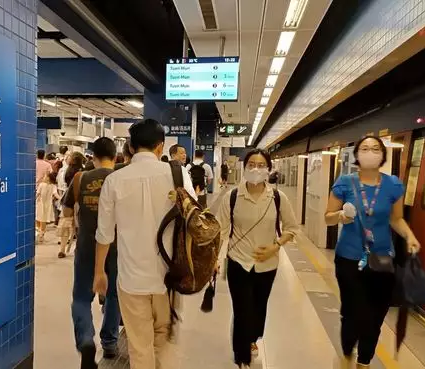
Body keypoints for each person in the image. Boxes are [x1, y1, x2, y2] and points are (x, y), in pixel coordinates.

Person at [93, 119, 196, 369]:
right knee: (164, 340)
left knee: (139, 346)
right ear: (160, 146)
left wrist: (99, 272)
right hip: (169, 276)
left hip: (131, 279)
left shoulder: (114, 181)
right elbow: (193, 220)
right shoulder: (178, 173)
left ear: (129, 147)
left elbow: (104, 234)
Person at [324, 136, 421, 369]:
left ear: (382, 155)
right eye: (365, 148)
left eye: (375, 149)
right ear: (357, 154)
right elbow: (328, 217)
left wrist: (410, 236)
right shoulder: (344, 183)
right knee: (353, 311)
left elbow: (395, 219)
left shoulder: (393, 185)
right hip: (349, 257)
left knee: (376, 314)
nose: (370, 152)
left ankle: (364, 360)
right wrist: (340, 216)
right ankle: (347, 350)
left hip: (382, 258)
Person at [216, 149, 298, 369]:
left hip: (267, 265)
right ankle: (241, 356)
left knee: (259, 308)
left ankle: (252, 338)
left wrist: (275, 247)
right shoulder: (232, 197)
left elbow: (291, 228)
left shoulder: (279, 198)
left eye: (261, 165)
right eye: (251, 164)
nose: (256, 169)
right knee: (242, 309)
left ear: (268, 169)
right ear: (244, 168)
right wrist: (215, 258)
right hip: (237, 261)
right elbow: (222, 230)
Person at [63, 137, 121, 369]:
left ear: (93, 157)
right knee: (115, 295)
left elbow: (67, 212)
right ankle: (109, 343)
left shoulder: (80, 178)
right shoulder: (121, 179)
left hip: (87, 246)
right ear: (115, 157)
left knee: (80, 298)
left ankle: (86, 340)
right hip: (118, 247)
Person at [58, 152, 86, 258]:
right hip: (79, 199)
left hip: (68, 198)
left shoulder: (67, 170)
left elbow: (64, 182)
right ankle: (77, 248)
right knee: (78, 225)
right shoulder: (83, 172)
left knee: (65, 224)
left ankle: (62, 249)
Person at [36, 172, 61, 243]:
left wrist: (33, 200)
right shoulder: (53, 186)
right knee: (43, 219)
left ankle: (40, 232)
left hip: (40, 203)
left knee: (39, 218)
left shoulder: (41, 185)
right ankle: (41, 233)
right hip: (47, 205)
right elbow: (55, 194)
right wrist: (61, 198)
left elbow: (37, 194)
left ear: (48, 178)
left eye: (45, 176)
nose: (44, 177)